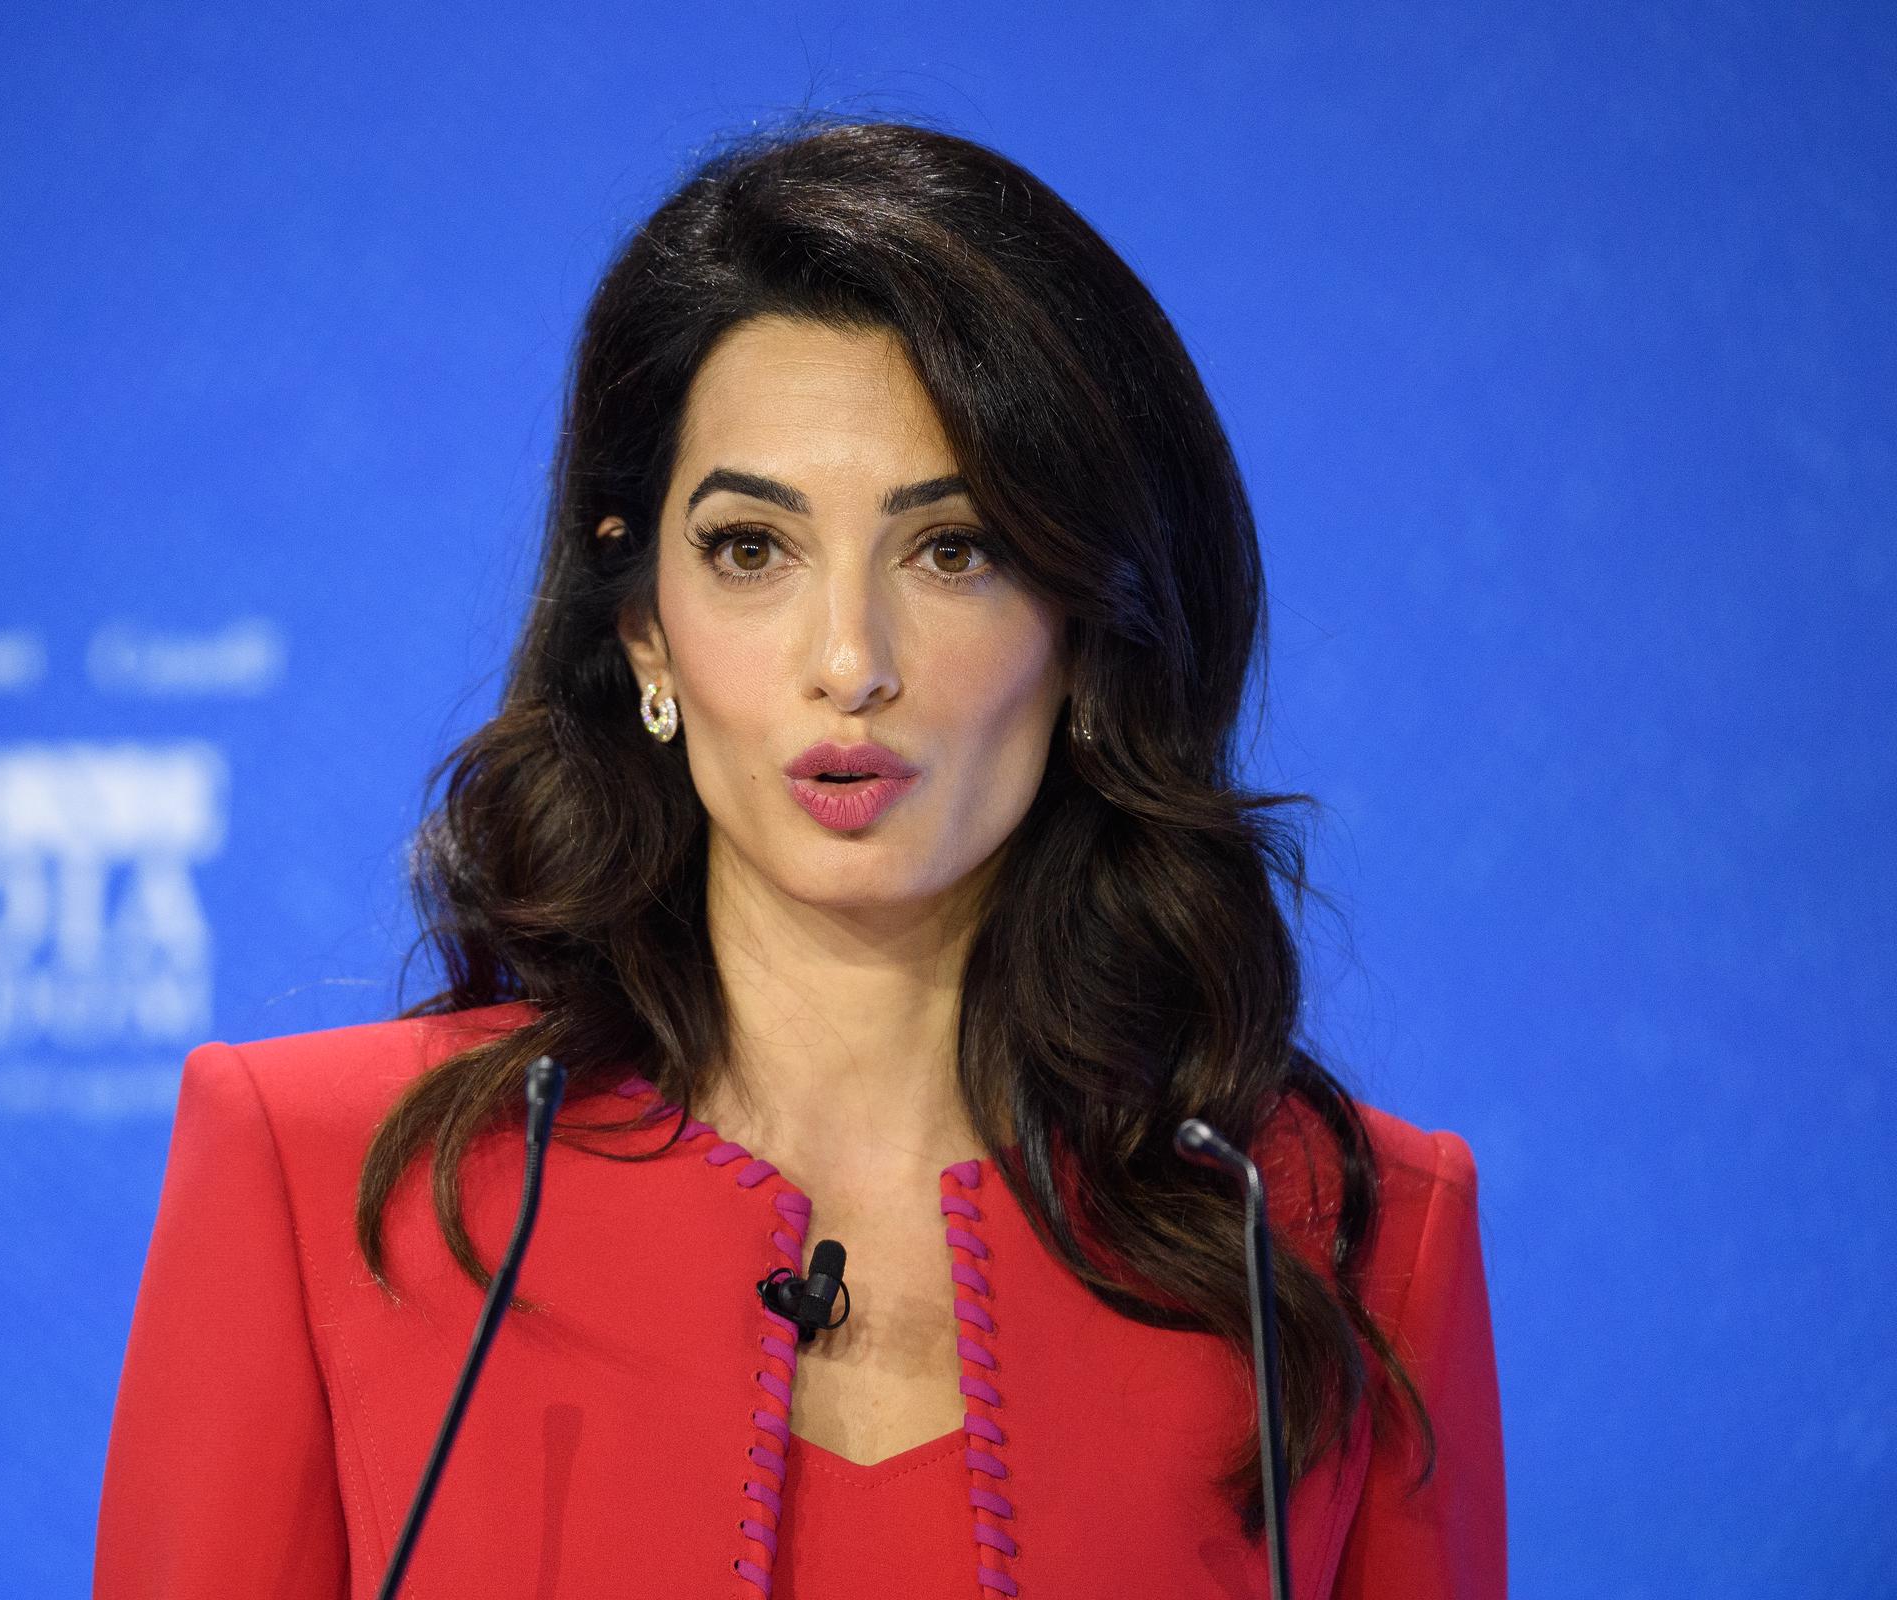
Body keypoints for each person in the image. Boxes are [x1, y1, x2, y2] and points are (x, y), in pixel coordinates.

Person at [93, 116, 1504, 1599]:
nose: (851, 662)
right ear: (643, 627)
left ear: (1089, 634)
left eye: (953, 550)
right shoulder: (323, 1182)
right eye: (751, 550)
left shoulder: (1339, 1238)